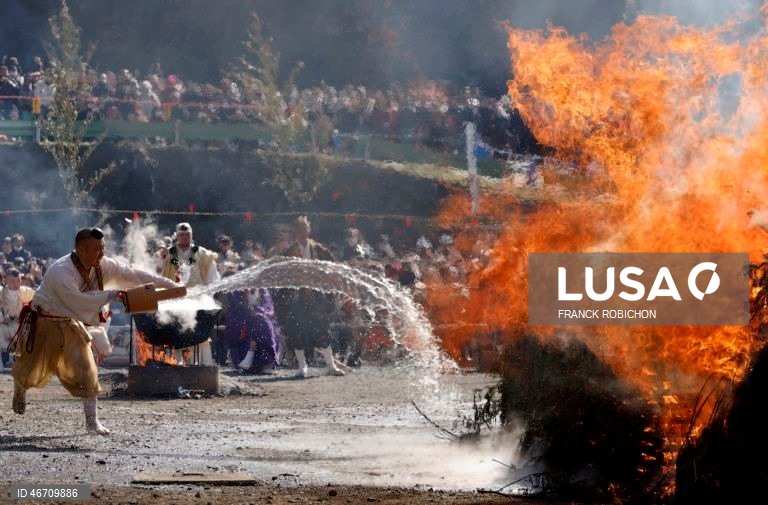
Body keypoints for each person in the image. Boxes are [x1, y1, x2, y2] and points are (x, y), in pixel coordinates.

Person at [10, 227, 183, 435]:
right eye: (96, 249)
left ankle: (92, 423)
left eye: (103, 248)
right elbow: (77, 301)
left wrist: (169, 285)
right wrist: (110, 295)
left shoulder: (103, 264)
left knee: (87, 369)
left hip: (70, 323)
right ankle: (19, 389)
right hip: (44, 322)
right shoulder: (61, 271)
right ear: (81, 250)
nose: (101, 253)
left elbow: (132, 274)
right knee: (29, 368)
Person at [276, 216, 344, 377]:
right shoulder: (289, 252)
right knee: (297, 331)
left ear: (309, 230)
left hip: (317, 296)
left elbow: (332, 266)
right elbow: (283, 275)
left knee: (322, 329)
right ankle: (302, 366)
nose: (303, 233)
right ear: (295, 232)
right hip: (297, 297)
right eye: (300, 230)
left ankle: (331, 365)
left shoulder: (319, 249)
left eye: (305, 229)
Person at [160, 222, 219, 365]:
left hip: (197, 303)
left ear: (192, 235)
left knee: (198, 335)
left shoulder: (203, 254)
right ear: (177, 236)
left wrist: (207, 299)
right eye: (181, 234)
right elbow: (159, 276)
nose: (185, 237)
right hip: (174, 302)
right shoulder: (168, 254)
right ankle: (175, 365)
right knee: (175, 333)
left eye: (187, 234)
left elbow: (214, 279)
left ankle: (200, 367)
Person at [0, 269, 34, 369]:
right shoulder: (1, 292)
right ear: (6, 280)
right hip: (5, 324)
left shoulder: (27, 292)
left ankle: (26, 363)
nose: (16, 284)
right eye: (12, 281)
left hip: (23, 324)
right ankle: (2, 362)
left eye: (18, 281)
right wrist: (2, 318)